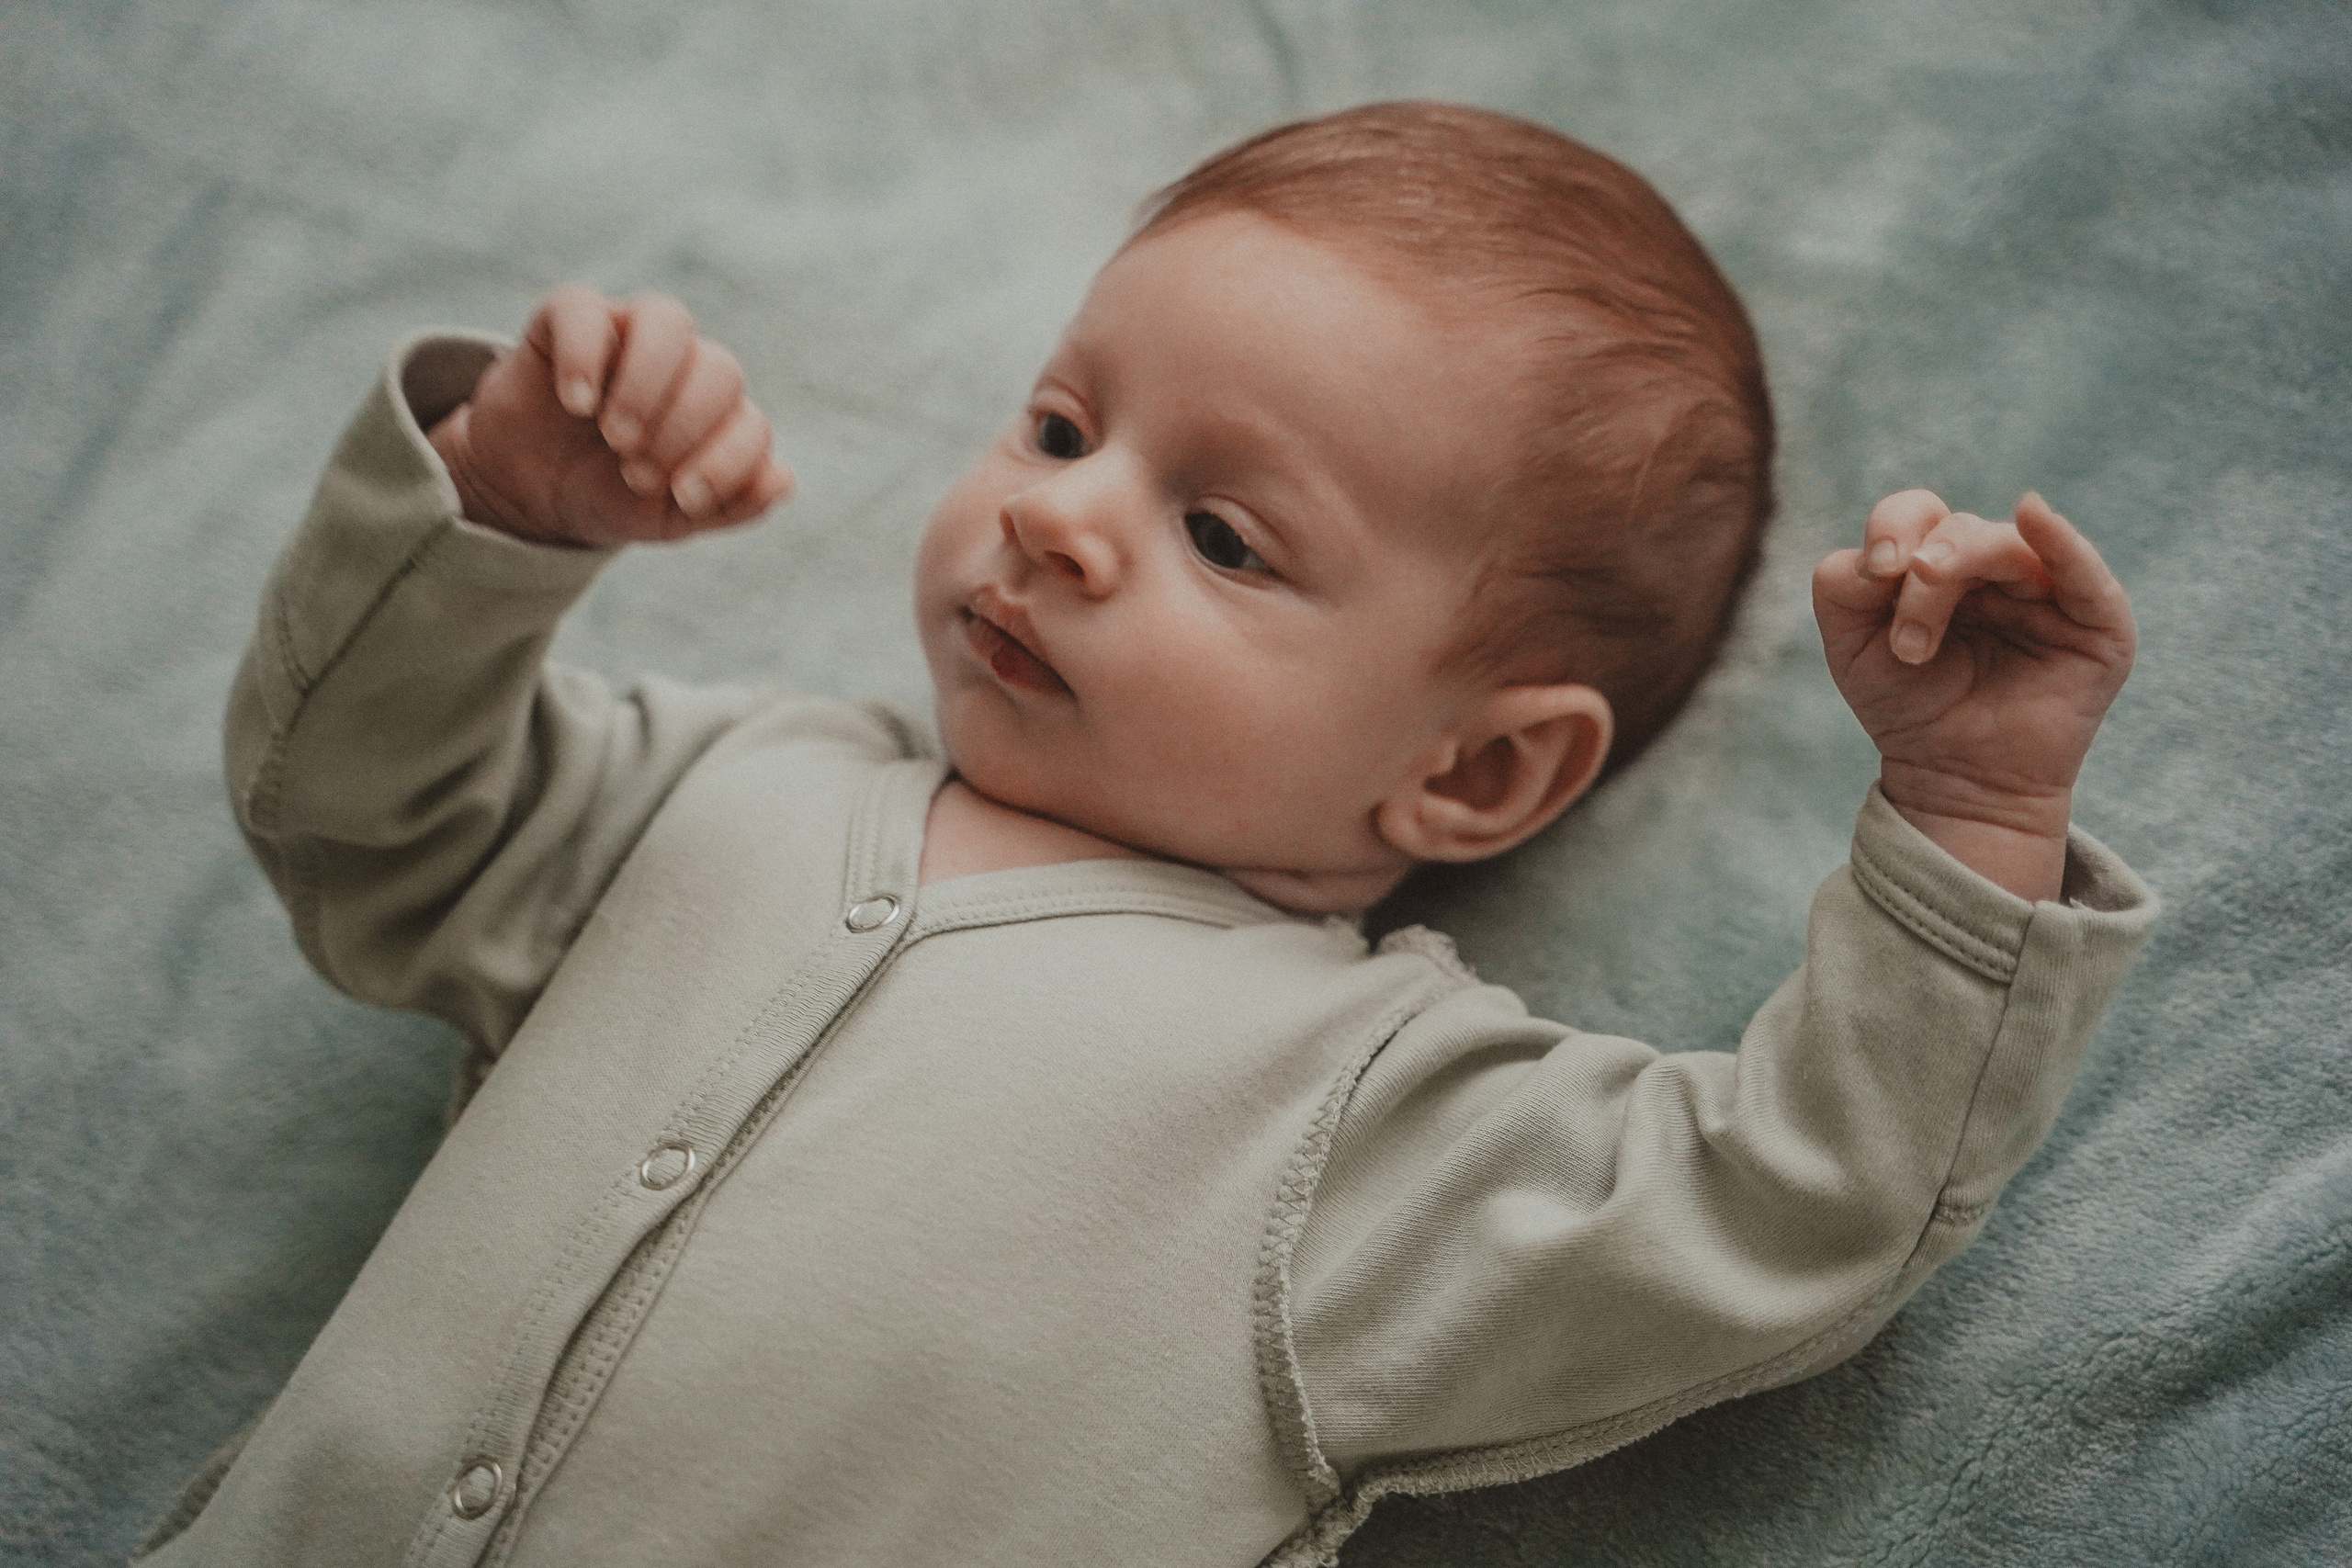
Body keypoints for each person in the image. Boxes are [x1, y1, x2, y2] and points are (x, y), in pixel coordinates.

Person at [144, 102, 2154, 1567]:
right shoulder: (713, 784)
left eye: (1220, 532)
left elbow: (1781, 1199)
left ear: (1467, 775)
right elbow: (362, 818)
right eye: (1054, 419)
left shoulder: (1360, 1127)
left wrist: (1966, 813)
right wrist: (504, 514)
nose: (1054, 513)